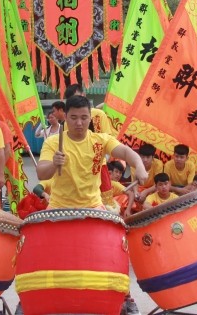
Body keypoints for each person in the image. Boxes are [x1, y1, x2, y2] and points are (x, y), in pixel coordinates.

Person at [36, 95, 147, 315]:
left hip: (93, 207)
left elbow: (125, 152)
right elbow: (41, 171)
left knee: (115, 252)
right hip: (59, 207)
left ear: (90, 118)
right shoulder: (53, 142)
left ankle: (126, 298)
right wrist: (53, 165)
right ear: (65, 117)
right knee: (43, 255)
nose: (79, 123)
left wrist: (139, 165)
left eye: (83, 118)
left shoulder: (99, 140)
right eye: (74, 117)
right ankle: (33, 298)